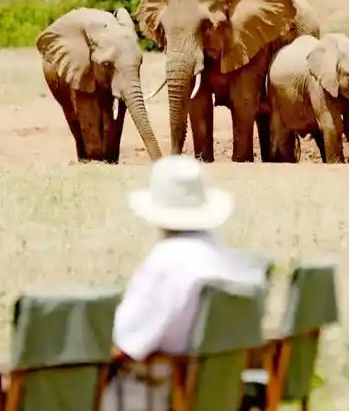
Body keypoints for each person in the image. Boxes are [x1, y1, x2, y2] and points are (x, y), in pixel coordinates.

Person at [101, 154, 266, 411]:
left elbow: (124, 344)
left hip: (155, 394)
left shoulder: (165, 263)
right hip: (217, 394)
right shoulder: (227, 261)